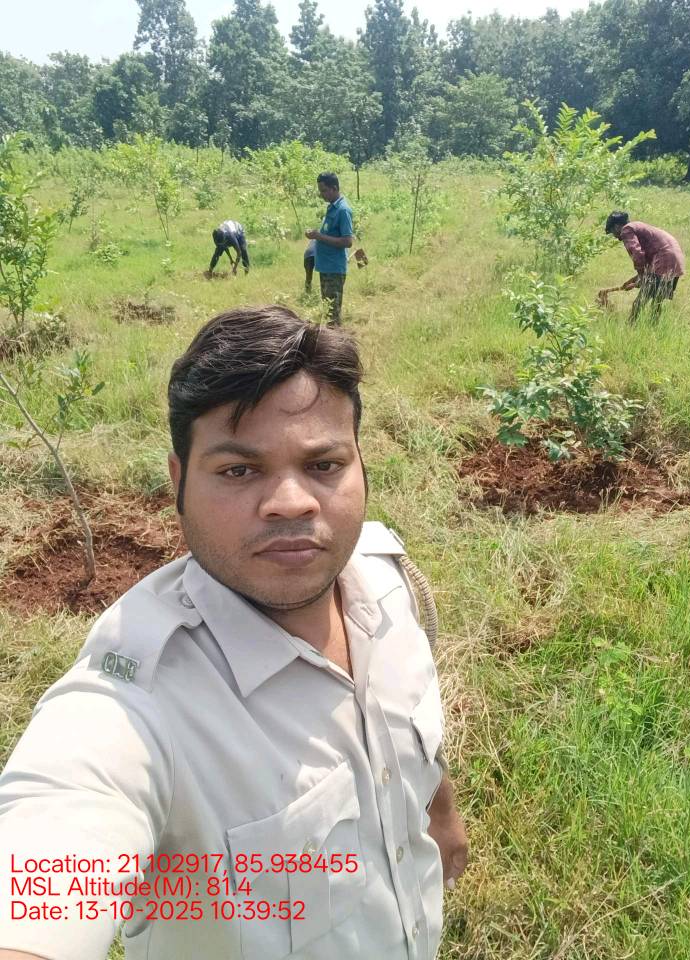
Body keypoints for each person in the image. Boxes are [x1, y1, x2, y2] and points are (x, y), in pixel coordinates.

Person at [0, 306, 468, 960]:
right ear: (179, 483)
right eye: (239, 471)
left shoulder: (388, 582)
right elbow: (47, 867)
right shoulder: (132, 710)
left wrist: (439, 813)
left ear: (361, 463)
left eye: (324, 464)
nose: (291, 501)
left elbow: (409, 733)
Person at [602, 211, 685, 322]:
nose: (616, 237)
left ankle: (630, 327)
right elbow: (648, 262)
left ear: (617, 226)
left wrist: (641, 277)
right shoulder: (638, 226)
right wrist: (635, 279)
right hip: (676, 261)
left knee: (639, 303)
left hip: (664, 260)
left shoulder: (626, 230)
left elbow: (637, 254)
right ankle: (653, 328)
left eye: (613, 232)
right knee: (657, 301)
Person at [305, 173, 353, 325]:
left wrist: (318, 236)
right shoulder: (331, 207)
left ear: (334, 188)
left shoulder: (343, 210)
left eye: (324, 190)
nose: (322, 194)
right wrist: (316, 235)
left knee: (333, 316)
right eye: (320, 191)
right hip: (325, 267)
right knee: (328, 310)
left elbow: (348, 241)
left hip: (334, 268)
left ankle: (337, 339)